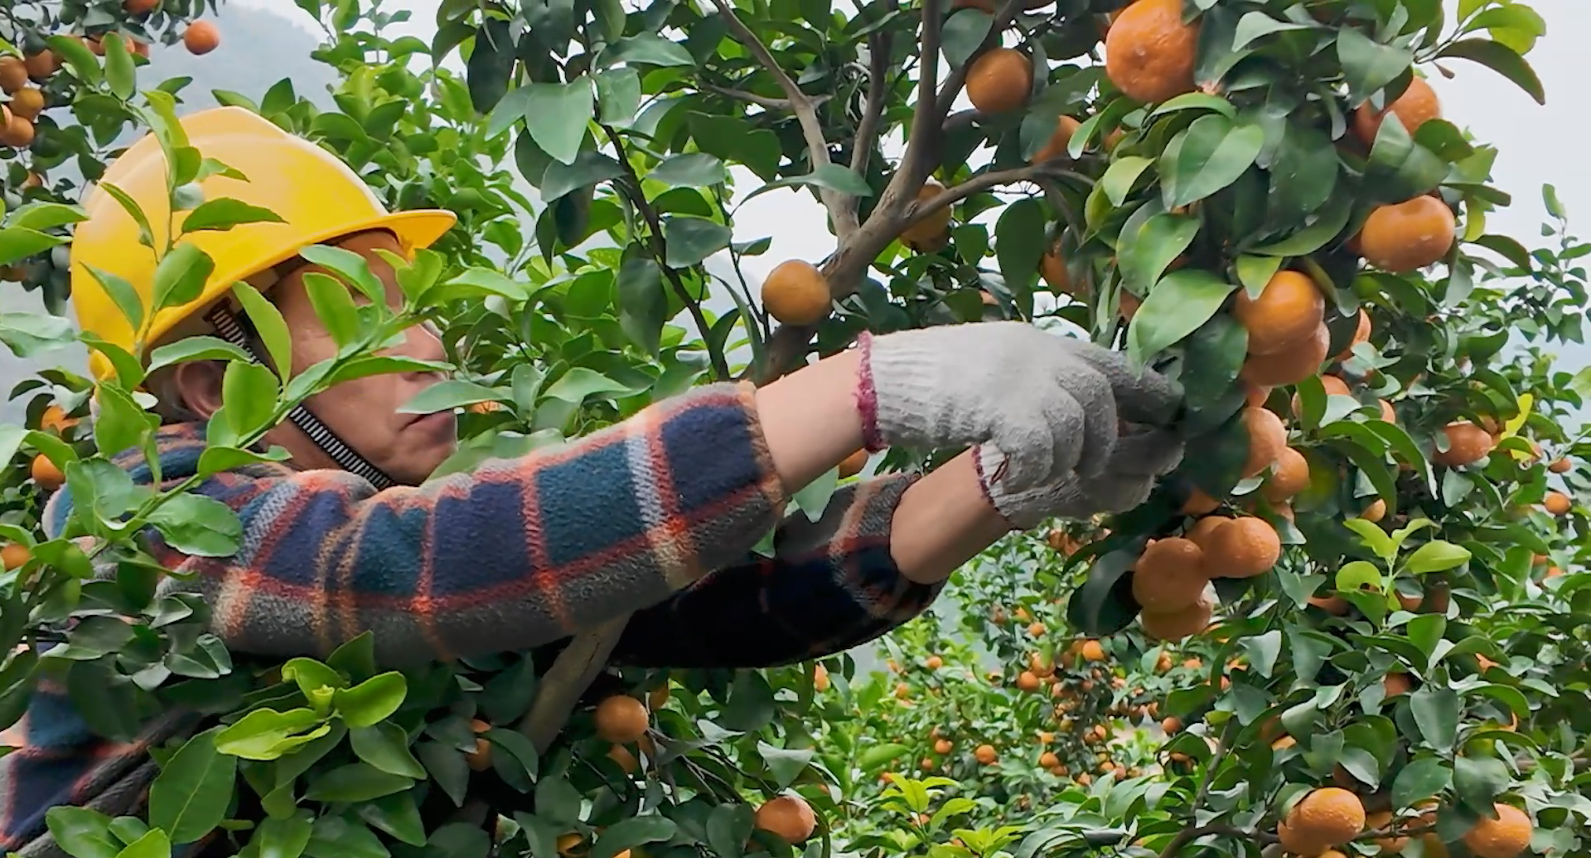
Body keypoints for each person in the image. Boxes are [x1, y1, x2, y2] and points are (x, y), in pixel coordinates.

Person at [0, 107, 1184, 855]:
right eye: (369, 316)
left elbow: (719, 598)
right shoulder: (136, 525)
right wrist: (867, 390)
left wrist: (996, 484)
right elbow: (413, 570)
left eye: (422, 312)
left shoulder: (417, 538)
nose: (429, 351)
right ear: (215, 385)